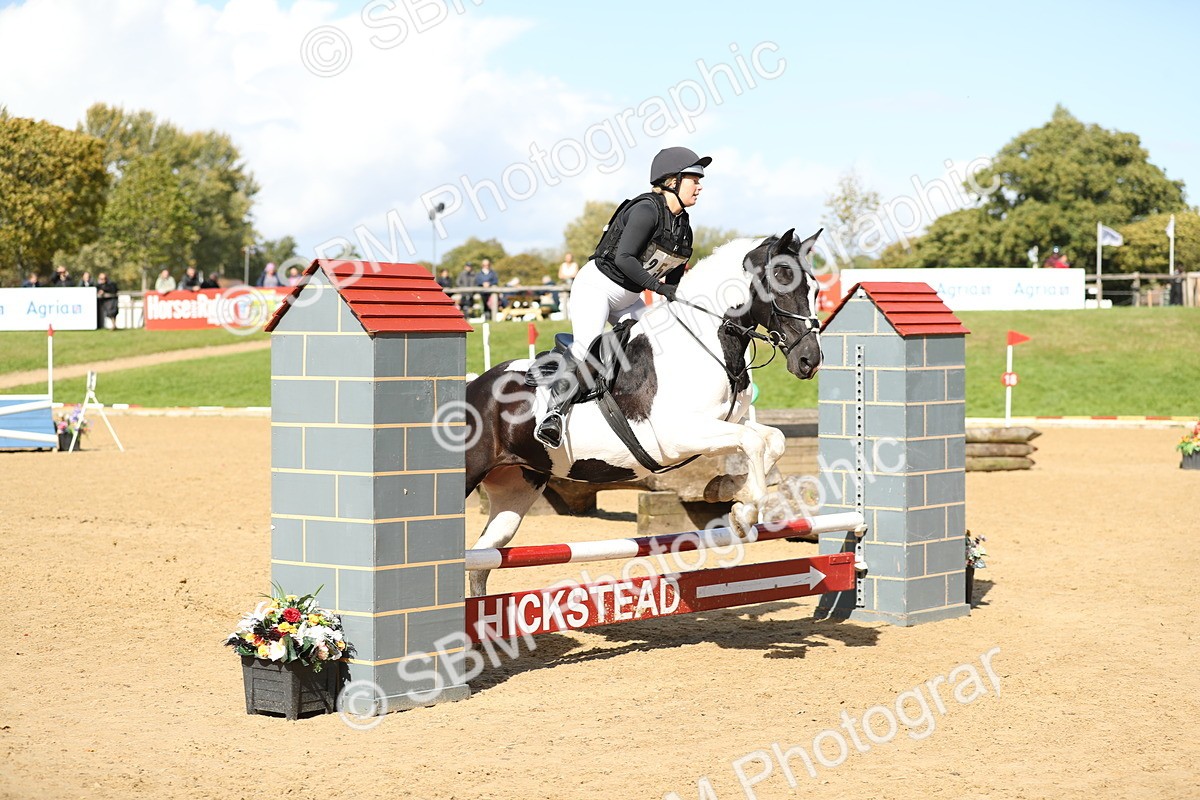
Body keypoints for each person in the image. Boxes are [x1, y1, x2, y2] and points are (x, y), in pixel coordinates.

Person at [535, 146, 710, 448]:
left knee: (659, 341)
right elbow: (624, 258)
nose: (699, 186)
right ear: (672, 181)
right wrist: (658, 288)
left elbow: (675, 270)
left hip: (629, 297)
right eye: (694, 179)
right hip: (597, 288)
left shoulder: (683, 226)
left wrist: (679, 298)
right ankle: (553, 415)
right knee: (587, 349)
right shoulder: (646, 210)